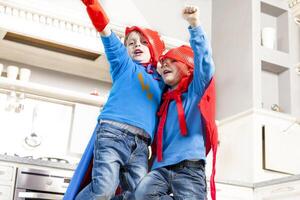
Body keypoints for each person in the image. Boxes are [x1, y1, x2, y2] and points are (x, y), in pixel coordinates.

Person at [64, 0, 165, 200]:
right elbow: (106, 32)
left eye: (143, 42)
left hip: (142, 146)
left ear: (154, 48)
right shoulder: (124, 65)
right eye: (131, 42)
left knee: (138, 195)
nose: (137, 45)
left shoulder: (161, 81)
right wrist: (93, 5)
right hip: (113, 134)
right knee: (104, 189)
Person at [133, 5, 218, 200]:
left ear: (186, 67)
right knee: (141, 195)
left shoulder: (194, 92)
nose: (164, 66)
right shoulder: (162, 102)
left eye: (171, 61)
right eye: (162, 65)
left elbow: (204, 62)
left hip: (190, 167)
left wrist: (194, 25)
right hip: (160, 169)